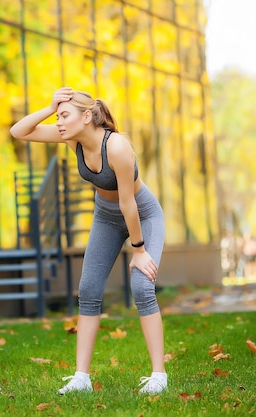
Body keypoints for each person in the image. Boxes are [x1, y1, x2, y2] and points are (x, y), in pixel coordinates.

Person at [10, 87, 167, 394]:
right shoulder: (72, 137)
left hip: (142, 214)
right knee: (89, 290)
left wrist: (139, 251)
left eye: (64, 116)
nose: (59, 122)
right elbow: (19, 131)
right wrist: (50, 106)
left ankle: (158, 376)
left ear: (86, 117)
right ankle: (82, 378)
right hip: (106, 216)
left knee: (142, 286)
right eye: (58, 117)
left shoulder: (117, 147)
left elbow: (129, 205)